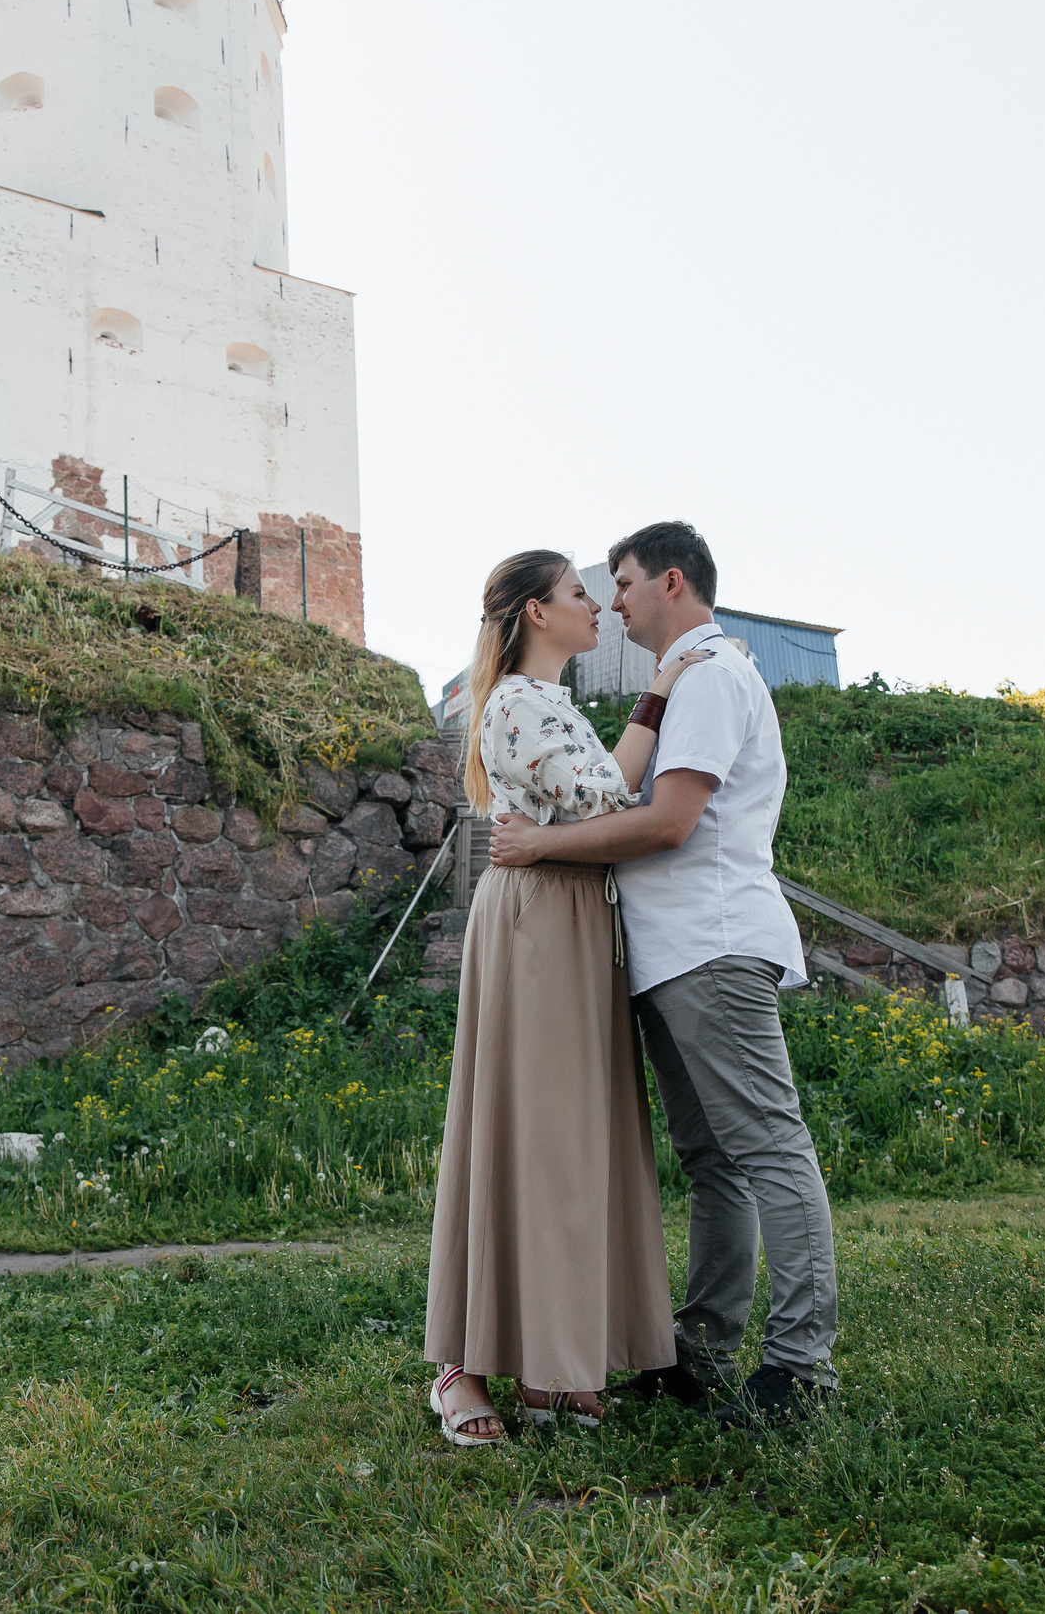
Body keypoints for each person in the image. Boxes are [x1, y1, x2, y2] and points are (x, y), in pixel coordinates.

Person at [487, 521, 838, 1429]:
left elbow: (668, 822)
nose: (612, 601)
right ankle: (705, 1348)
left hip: (712, 945)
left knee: (766, 1146)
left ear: (671, 582)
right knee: (712, 1160)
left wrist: (540, 846)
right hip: (672, 953)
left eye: (625, 581)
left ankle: (798, 1367)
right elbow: (623, 788)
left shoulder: (714, 675)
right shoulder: (685, 685)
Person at [424, 549, 711, 1446]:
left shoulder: (552, 704)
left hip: (576, 917)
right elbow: (606, 795)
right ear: (537, 614)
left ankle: (554, 1358)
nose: (597, 603)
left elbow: (594, 809)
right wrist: (659, 690)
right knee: (529, 1133)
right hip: (539, 922)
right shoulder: (514, 698)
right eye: (579, 592)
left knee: (572, 1139)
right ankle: (457, 1369)